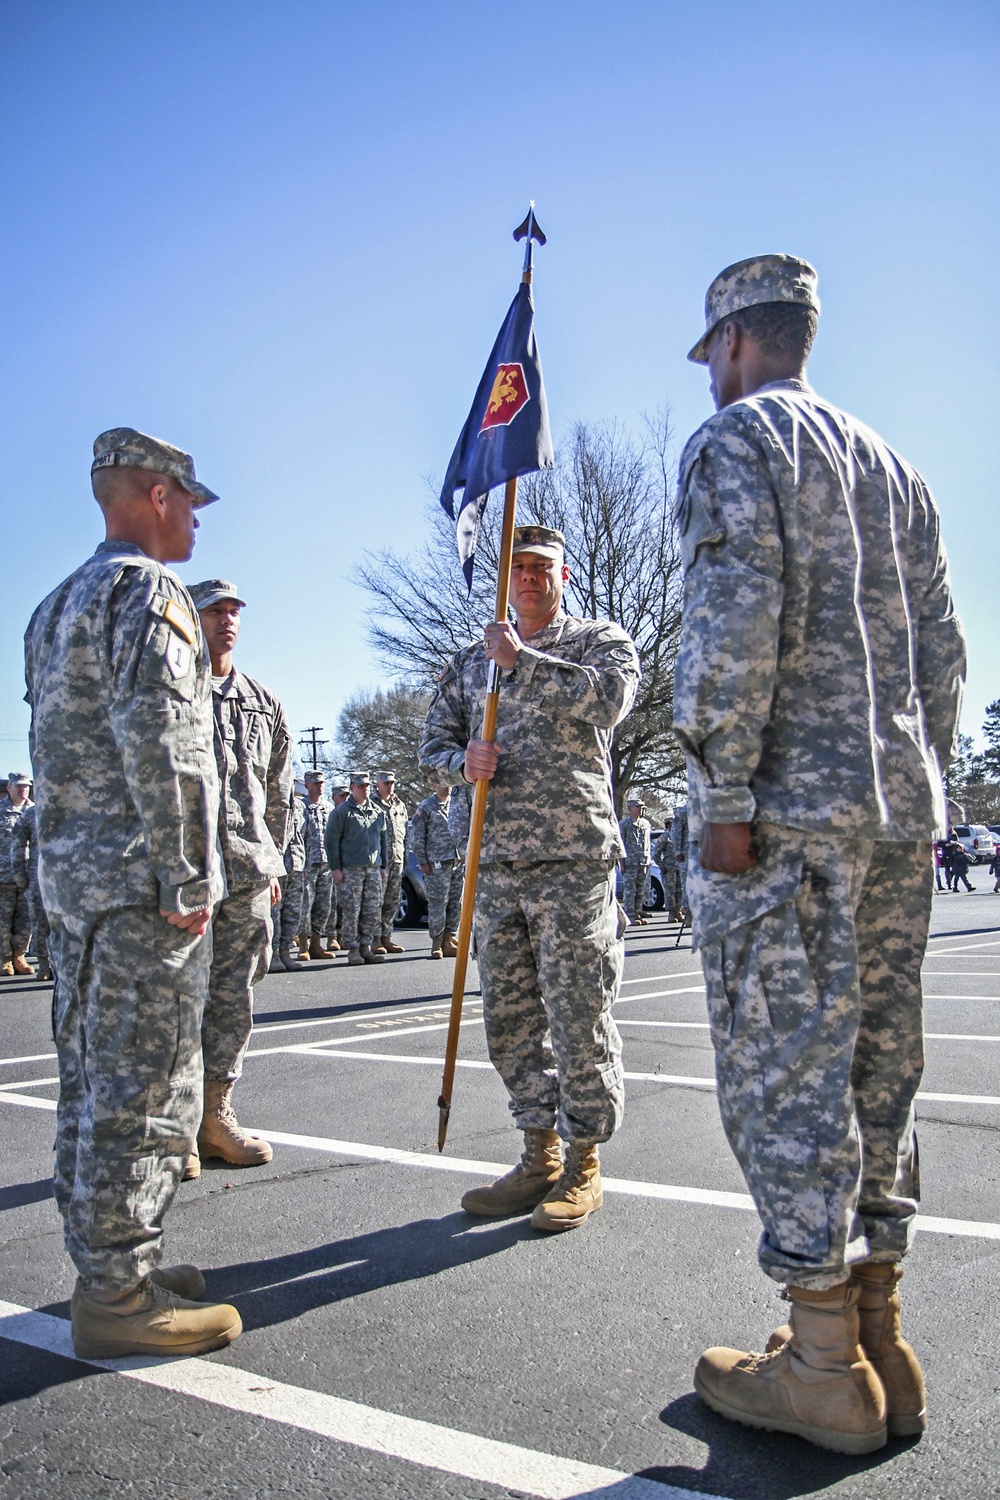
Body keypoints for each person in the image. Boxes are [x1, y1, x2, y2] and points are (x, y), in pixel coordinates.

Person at [673, 255, 966, 1453]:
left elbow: (729, 625)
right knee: (879, 1071)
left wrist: (721, 788)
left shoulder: (738, 443)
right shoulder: (894, 467)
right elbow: (943, 653)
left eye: (711, 359)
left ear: (736, 341)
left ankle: (823, 1359)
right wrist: (913, 776)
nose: (712, 381)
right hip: (895, 812)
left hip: (784, 814)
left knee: (786, 1074)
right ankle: (883, 1333)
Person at [24, 426, 241, 1359]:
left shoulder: (52, 604)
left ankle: (110, 1265)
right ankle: (118, 1293)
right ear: (155, 494)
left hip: (75, 891)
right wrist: (190, 877)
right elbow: (169, 746)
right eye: (189, 500)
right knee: (146, 1088)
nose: (195, 518)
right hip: (143, 890)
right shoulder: (146, 593)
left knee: (91, 1081)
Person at [420, 525, 641, 1231]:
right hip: (495, 863)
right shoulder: (470, 662)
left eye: (541, 567)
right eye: (517, 567)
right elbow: (433, 739)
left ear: (564, 575)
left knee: (579, 1013)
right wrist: (463, 762)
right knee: (510, 1020)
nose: (528, 577)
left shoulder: (599, 641)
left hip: (572, 858)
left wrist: (528, 661)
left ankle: (583, 1161)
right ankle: (538, 1151)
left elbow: (609, 702)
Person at [185, 580, 293, 1177]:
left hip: (248, 869)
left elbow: (279, 789)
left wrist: (273, 858)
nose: (226, 620)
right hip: (188, 872)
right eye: (214, 610)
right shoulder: (172, 690)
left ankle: (215, 1116)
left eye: (233, 611)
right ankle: (175, 1129)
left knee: (233, 998)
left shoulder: (260, 700)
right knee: (179, 999)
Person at [324, 772, 388, 966]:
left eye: (367, 785)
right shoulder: (342, 812)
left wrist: (383, 865)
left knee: (372, 909)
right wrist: (335, 867)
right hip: (351, 869)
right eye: (360, 786)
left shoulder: (377, 812)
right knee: (352, 909)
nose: (365, 789)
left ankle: (365, 947)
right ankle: (353, 949)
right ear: (352, 787)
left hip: (373, 868)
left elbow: (383, 840)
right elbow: (331, 841)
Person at [411, 783, 465, 959]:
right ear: (435, 785)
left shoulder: (456, 804)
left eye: (450, 783)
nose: (448, 787)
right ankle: (437, 942)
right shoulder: (426, 807)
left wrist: (464, 853)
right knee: (438, 902)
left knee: (456, 902)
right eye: (444, 783)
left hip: (456, 860)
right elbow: (417, 836)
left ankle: (449, 938)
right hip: (437, 862)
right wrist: (423, 861)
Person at [11, 800, 50, 980]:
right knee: (40, 923)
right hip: (38, 879)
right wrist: (19, 874)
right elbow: (18, 845)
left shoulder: (71, 807)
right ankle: (44, 966)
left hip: (69, 881)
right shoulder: (30, 814)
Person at [300, 770, 336, 958]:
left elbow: (333, 837)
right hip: (308, 864)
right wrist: (301, 863)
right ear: (307, 785)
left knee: (324, 906)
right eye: (315, 783)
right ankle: (303, 945)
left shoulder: (329, 808)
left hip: (326, 864)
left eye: (321, 782)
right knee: (305, 905)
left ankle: (316, 943)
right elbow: (297, 837)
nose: (319, 785)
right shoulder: (301, 807)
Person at [0, 772, 34, 976]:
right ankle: (4, 959)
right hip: (3, 875)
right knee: (3, 919)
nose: (24, 790)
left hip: (28, 875)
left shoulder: (34, 811)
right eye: (19, 786)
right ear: (9, 788)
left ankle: (19, 956)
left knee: (25, 920)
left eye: (27, 786)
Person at [371, 770, 409, 954]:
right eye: (386, 783)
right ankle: (374, 939)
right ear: (377, 784)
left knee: (392, 900)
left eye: (392, 782)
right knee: (376, 901)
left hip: (397, 858)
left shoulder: (399, 805)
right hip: (379, 861)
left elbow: (405, 833)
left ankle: (386, 937)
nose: (389, 786)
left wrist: (406, 856)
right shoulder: (370, 804)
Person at [272, 790, 307, 969]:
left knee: (292, 911)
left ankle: (286, 952)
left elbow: (304, 836)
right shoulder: (272, 801)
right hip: (278, 865)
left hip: (297, 864)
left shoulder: (301, 806)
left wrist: (305, 864)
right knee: (274, 913)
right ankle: (272, 954)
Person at [619, 795, 652, 925]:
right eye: (638, 807)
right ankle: (630, 914)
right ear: (630, 808)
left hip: (643, 861)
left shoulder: (645, 824)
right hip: (630, 863)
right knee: (630, 890)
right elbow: (620, 844)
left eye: (641, 807)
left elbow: (648, 843)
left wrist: (648, 859)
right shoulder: (624, 824)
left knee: (641, 889)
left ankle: (637, 911)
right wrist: (621, 863)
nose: (640, 809)